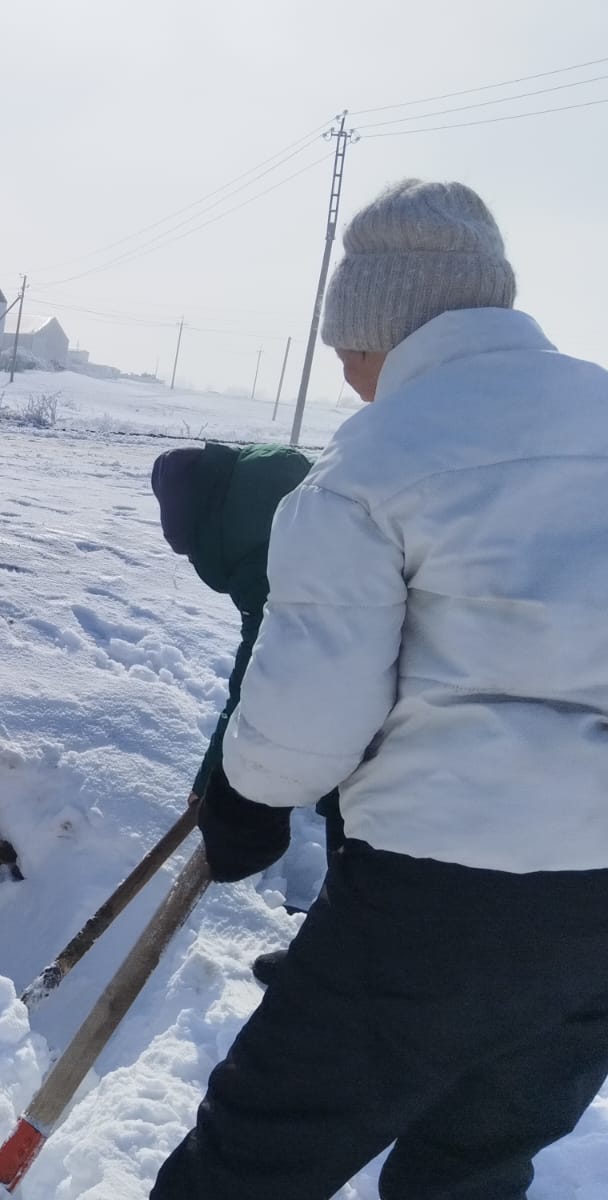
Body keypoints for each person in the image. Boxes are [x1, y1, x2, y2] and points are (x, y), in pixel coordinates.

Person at [151, 180, 608, 1199]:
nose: (349, 376)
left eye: (347, 350)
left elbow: (317, 700)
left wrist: (248, 799)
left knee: (255, 1157)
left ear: (382, 328)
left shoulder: (375, 459)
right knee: (475, 1160)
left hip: (442, 891)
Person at [150, 443, 342, 984]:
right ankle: (334, 941)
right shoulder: (280, 498)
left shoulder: (265, 552)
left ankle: (338, 959)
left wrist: (222, 778)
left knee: (362, 816)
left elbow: (264, 677)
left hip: (394, 709)